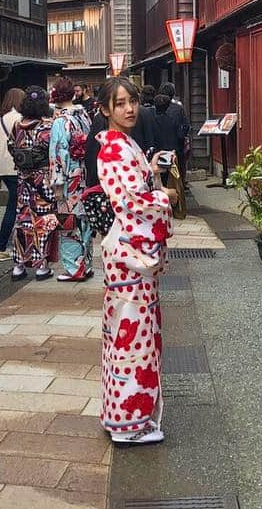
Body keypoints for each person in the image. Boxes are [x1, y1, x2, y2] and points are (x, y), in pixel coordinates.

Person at [95, 77, 173, 446]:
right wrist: (164, 196)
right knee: (133, 341)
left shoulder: (122, 144)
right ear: (106, 109)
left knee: (127, 336)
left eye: (132, 102)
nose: (129, 109)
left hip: (128, 255)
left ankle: (121, 415)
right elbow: (132, 203)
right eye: (120, 103)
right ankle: (129, 423)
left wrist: (152, 174)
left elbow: (134, 189)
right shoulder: (113, 149)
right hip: (131, 258)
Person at [48, 77, 93, 282]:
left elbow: (58, 154)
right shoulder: (83, 116)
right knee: (84, 220)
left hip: (69, 177)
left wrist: (57, 183)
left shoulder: (60, 121)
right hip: (84, 173)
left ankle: (74, 268)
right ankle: (87, 264)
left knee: (68, 222)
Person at [11, 86, 57, 281]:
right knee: (43, 221)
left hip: (22, 180)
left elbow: (11, 147)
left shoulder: (16, 125)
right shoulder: (47, 127)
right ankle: (41, 266)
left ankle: (18, 266)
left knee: (22, 220)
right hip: (42, 180)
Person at [0, 87, 26, 262]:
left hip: (2, 169)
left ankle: (7, 245)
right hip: (16, 167)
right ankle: (2, 247)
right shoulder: (21, 119)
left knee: (14, 204)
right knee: (14, 207)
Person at [158, 82, 191, 182]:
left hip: (160, 146)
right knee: (177, 172)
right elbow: (186, 125)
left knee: (162, 172)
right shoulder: (178, 108)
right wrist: (181, 137)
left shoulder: (156, 107)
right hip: (176, 146)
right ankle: (179, 191)